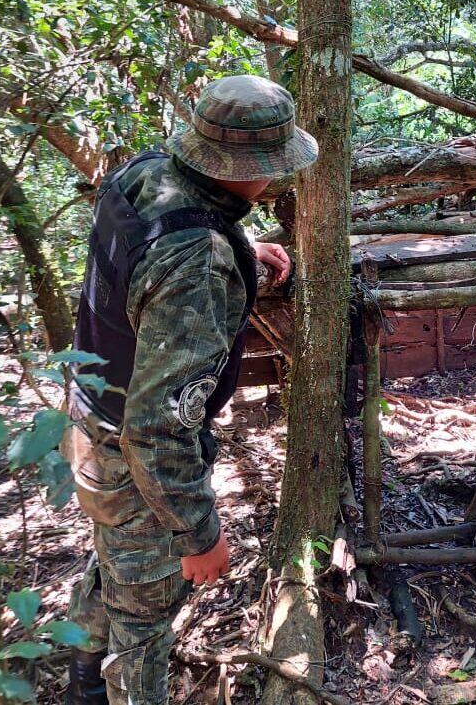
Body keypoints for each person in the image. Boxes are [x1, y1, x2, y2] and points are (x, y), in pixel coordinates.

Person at [62, 75, 318, 704]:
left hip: (89, 417)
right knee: (146, 615)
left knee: (118, 566)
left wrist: (239, 247)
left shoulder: (142, 173)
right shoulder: (197, 261)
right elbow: (159, 425)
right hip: (132, 455)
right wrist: (198, 534)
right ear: (249, 166)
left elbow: (145, 257)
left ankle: (79, 684)